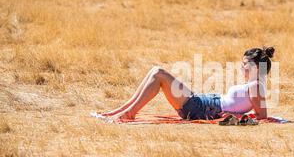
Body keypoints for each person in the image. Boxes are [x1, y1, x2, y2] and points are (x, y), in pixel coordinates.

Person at [101, 46, 275, 121]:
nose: (241, 67)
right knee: (156, 71)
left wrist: (233, 117)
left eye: (244, 64)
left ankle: (129, 113)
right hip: (202, 103)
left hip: (201, 108)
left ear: (254, 68)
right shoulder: (254, 85)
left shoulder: (255, 87)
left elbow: (262, 116)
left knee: (159, 73)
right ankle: (122, 111)